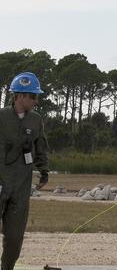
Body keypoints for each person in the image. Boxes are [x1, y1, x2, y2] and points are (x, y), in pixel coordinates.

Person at [0, 72, 49, 270]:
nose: (36, 101)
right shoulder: (1, 117)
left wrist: (43, 170)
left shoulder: (36, 120)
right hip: (1, 181)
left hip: (20, 187)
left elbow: (41, 147)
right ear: (19, 96)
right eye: (33, 96)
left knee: (14, 238)